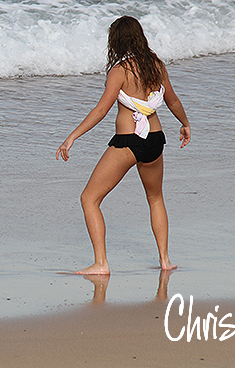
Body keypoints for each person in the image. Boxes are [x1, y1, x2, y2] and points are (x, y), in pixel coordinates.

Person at [56, 16, 190, 275]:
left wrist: (72, 136)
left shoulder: (119, 71)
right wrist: (185, 123)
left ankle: (101, 264)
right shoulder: (156, 65)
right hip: (155, 139)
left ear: (116, 41)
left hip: (129, 142)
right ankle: (165, 260)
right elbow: (172, 100)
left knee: (89, 199)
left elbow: (101, 110)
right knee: (155, 198)